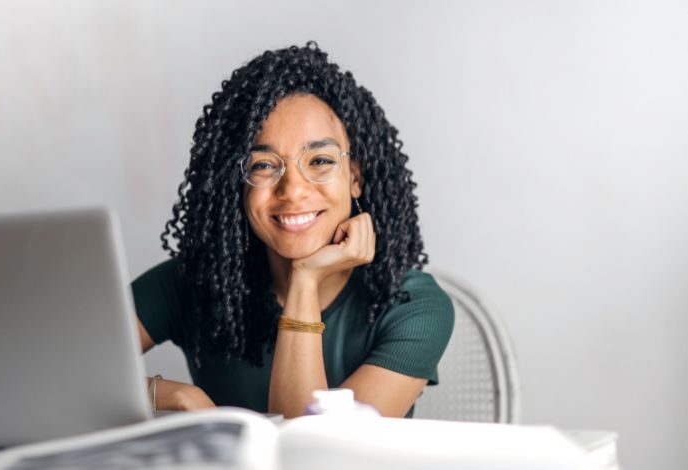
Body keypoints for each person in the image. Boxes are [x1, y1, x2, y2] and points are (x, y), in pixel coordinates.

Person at [131, 42, 454, 419]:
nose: (294, 190)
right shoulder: (193, 281)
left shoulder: (411, 306)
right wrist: (176, 396)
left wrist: (305, 279)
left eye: (319, 160)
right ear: (236, 183)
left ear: (355, 177)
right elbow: (56, 371)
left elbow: (314, 454)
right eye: (264, 166)